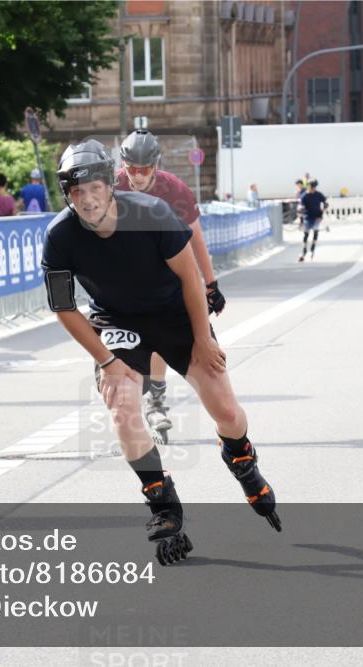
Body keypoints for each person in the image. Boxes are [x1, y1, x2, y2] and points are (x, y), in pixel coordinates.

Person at [42, 140, 280, 564]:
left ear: (109, 185)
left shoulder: (150, 213)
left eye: (94, 188)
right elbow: (64, 307)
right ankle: (162, 503)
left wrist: (203, 338)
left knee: (226, 411)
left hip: (175, 315)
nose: (87, 200)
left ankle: (242, 460)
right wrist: (107, 362)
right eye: (77, 192)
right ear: (67, 195)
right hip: (117, 320)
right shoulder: (60, 235)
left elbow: (190, 277)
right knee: (121, 405)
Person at [115, 129, 226, 445]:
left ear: (156, 165)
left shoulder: (175, 190)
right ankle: (152, 399)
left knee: (201, 347)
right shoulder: (111, 187)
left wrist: (211, 284)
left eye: (144, 169)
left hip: (171, 274)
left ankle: (225, 419)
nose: (137, 176)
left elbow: (197, 239)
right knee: (141, 342)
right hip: (130, 276)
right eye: (131, 169)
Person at [298, 179, 328, 262]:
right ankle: (304, 251)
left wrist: (323, 211)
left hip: (317, 217)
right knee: (306, 234)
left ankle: (312, 249)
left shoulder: (318, 195)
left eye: (314, 187)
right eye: (311, 187)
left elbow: (325, 202)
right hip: (307, 217)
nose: (313, 189)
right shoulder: (304, 196)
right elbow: (300, 207)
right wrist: (301, 220)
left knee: (315, 231)